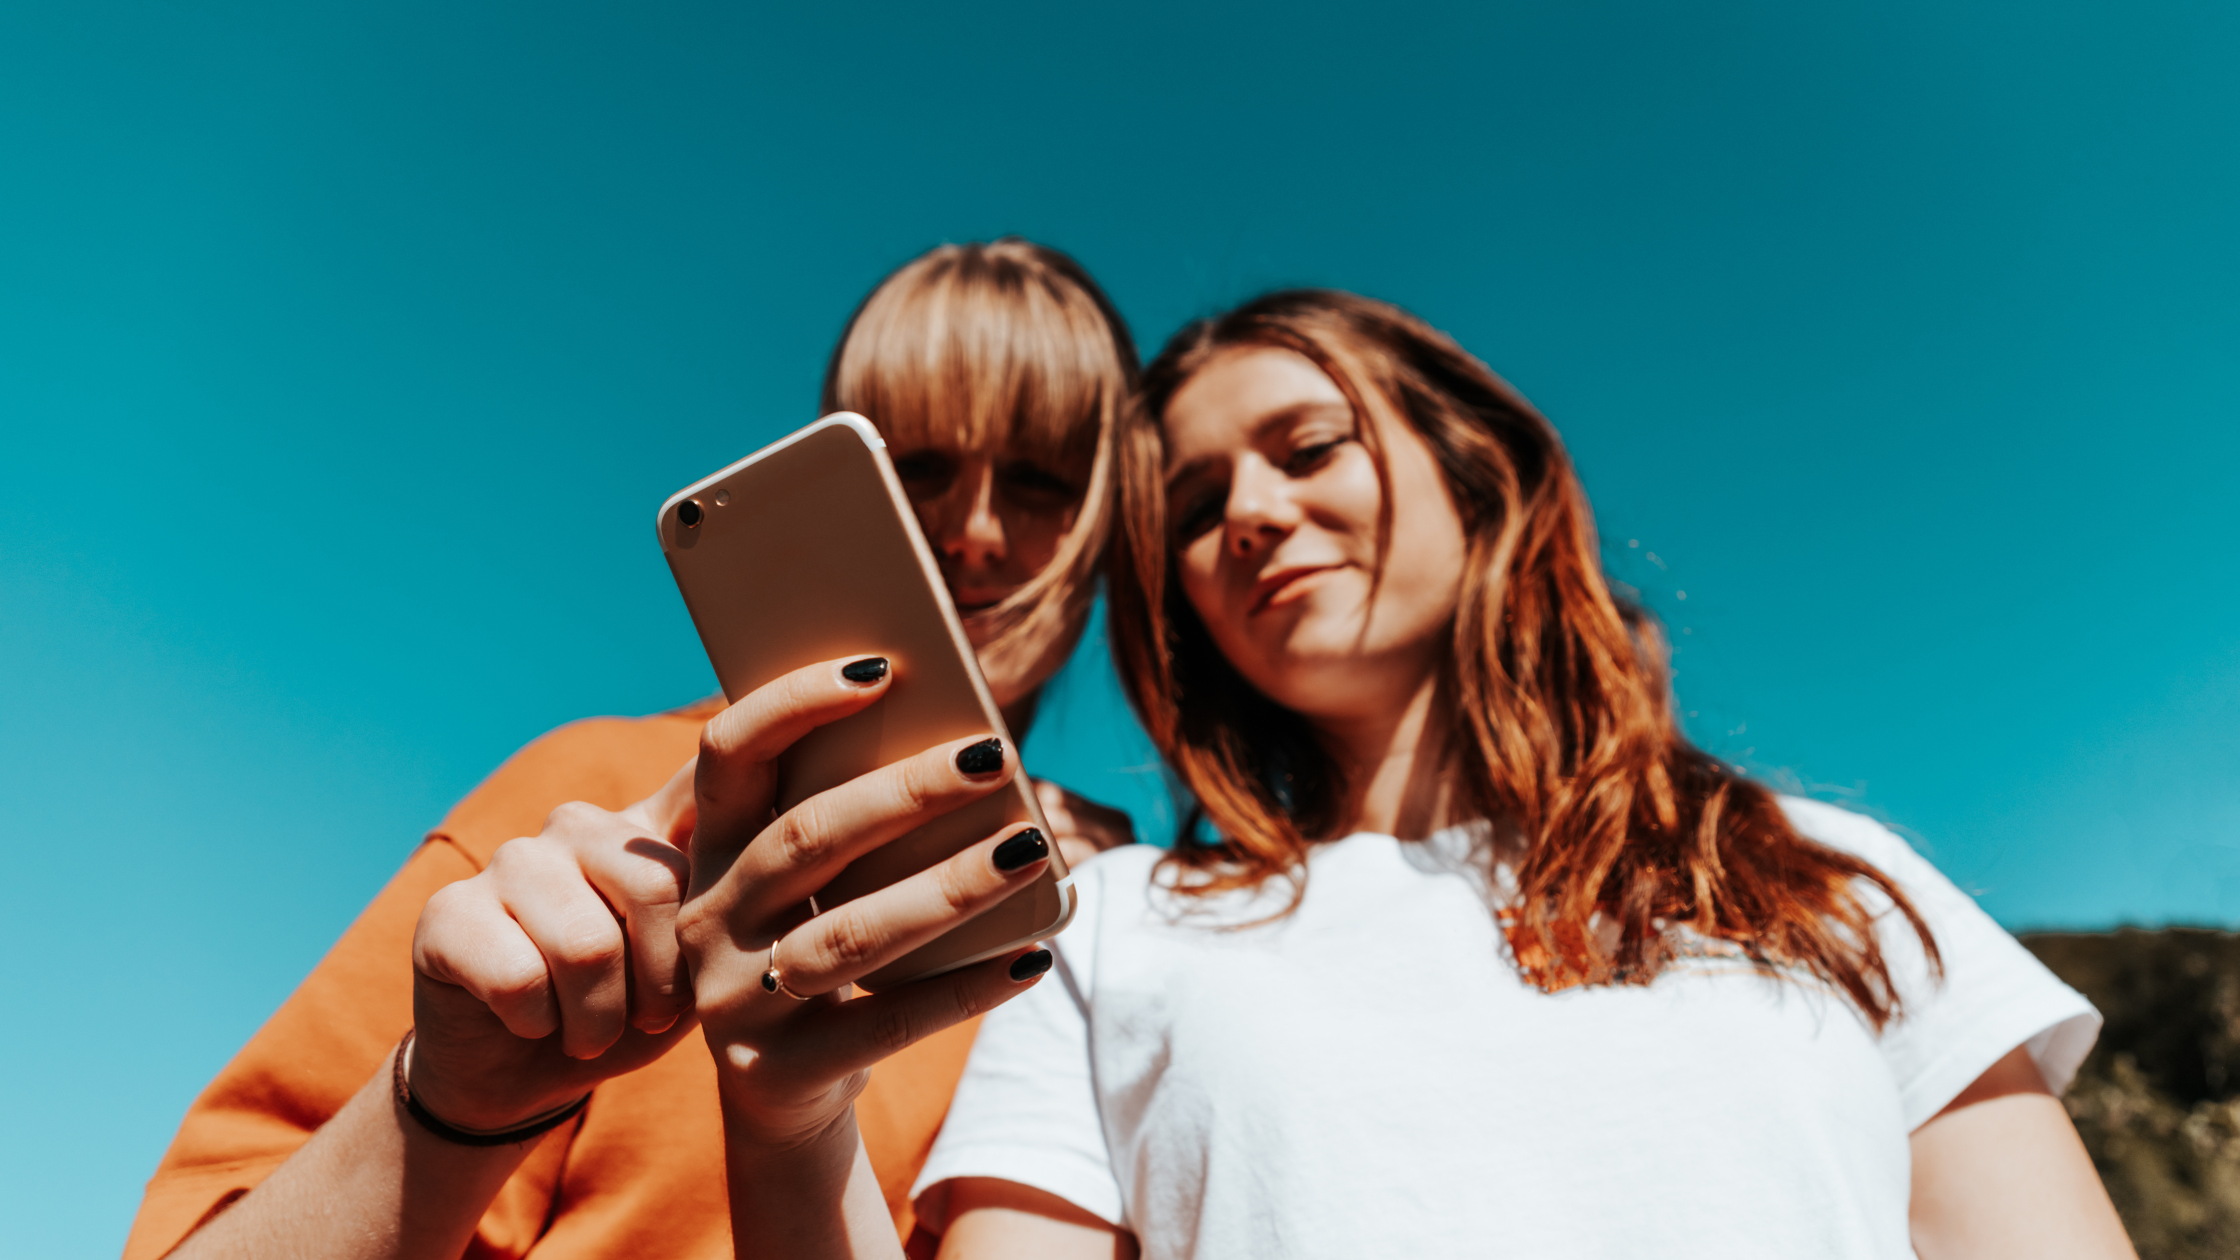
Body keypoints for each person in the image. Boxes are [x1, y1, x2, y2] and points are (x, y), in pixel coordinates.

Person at [693, 290, 2139, 1259]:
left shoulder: (1824, 872)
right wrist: (789, 1127)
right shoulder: (1111, 927)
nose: (1254, 514)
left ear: (1476, 469)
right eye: (1194, 511)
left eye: (1307, 445)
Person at [126, 238, 1139, 1260]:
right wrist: (447, 1111)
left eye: (1042, 481)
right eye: (915, 465)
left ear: (1108, 527)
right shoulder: (597, 793)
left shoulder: (1125, 905)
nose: (974, 528)